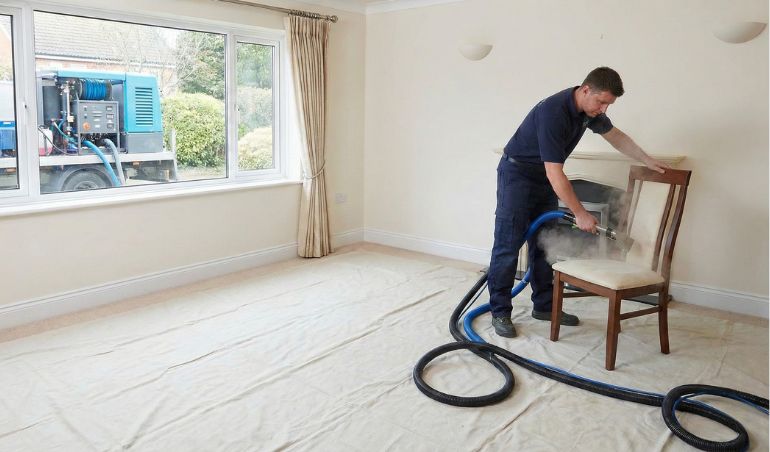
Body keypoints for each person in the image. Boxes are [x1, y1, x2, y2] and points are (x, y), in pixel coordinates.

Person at [488, 66, 670, 338]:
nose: (604, 109)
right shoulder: (554, 112)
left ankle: (545, 306)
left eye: (609, 104)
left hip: (543, 177)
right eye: (601, 102)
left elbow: (615, 136)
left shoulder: (589, 111)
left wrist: (646, 159)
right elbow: (554, 172)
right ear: (585, 90)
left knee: (543, 243)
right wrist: (580, 213)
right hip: (518, 176)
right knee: (508, 244)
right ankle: (500, 311)